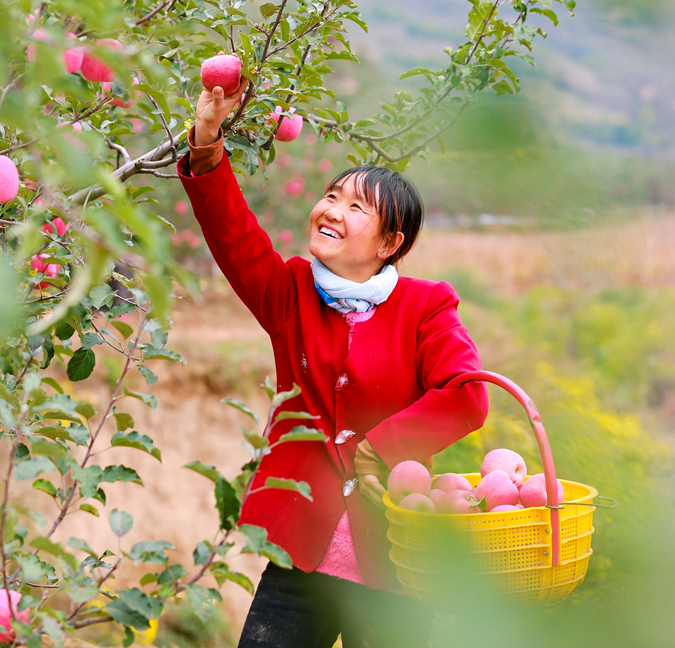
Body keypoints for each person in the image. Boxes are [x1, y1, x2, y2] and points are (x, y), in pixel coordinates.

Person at [177, 71, 490, 648]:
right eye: (331, 196)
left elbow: (468, 395)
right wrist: (207, 140)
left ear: (388, 243)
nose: (332, 210)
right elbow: (232, 235)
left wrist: (379, 447)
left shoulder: (426, 305)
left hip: (393, 566)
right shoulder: (290, 290)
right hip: (299, 559)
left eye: (356, 207)